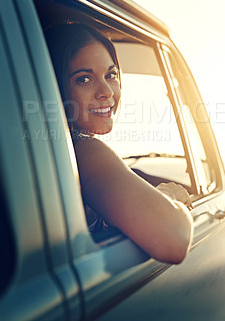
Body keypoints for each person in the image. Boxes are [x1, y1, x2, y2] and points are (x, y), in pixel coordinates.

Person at [45, 22, 193, 264]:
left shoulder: (51, 150)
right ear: (56, 87)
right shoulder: (83, 151)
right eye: (84, 79)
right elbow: (174, 238)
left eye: (111, 75)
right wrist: (169, 196)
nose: (107, 91)